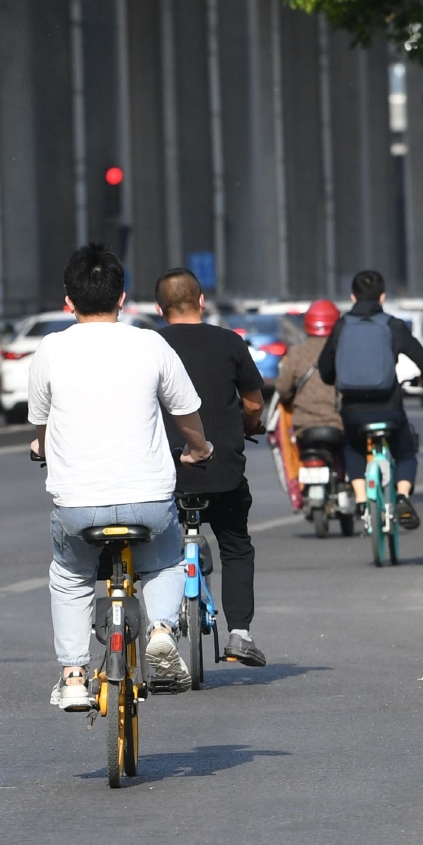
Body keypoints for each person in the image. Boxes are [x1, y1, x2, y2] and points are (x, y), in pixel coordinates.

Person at [29, 245, 213, 708]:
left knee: (71, 576)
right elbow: (186, 412)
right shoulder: (151, 342)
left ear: (68, 301)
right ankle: (162, 630)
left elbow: (42, 428)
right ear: (123, 298)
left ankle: (73, 675)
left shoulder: (50, 349)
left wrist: (42, 447)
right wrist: (199, 449)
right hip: (147, 501)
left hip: (78, 506)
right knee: (168, 560)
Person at [156, 269, 268, 667]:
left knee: (157, 554)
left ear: (159, 308)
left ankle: (160, 629)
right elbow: (253, 404)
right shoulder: (229, 342)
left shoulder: (149, 345)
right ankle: (240, 633)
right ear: (201, 301)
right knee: (236, 545)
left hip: (163, 473)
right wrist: (251, 425)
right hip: (222, 473)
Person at [315, 269, 423, 531]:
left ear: (352, 296)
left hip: (353, 409)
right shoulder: (392, 325)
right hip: (388, 408)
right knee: (405, 450)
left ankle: (360, 499)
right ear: (382, 297)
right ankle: (402, 496)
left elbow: (324, 369)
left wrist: (336, 378)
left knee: (353, 446)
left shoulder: (342, 325)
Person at [273, 299, 344, 434]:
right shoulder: (344, 350)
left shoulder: (297, 352)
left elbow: (283, 388)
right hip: (339, 423)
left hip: (305, 424)